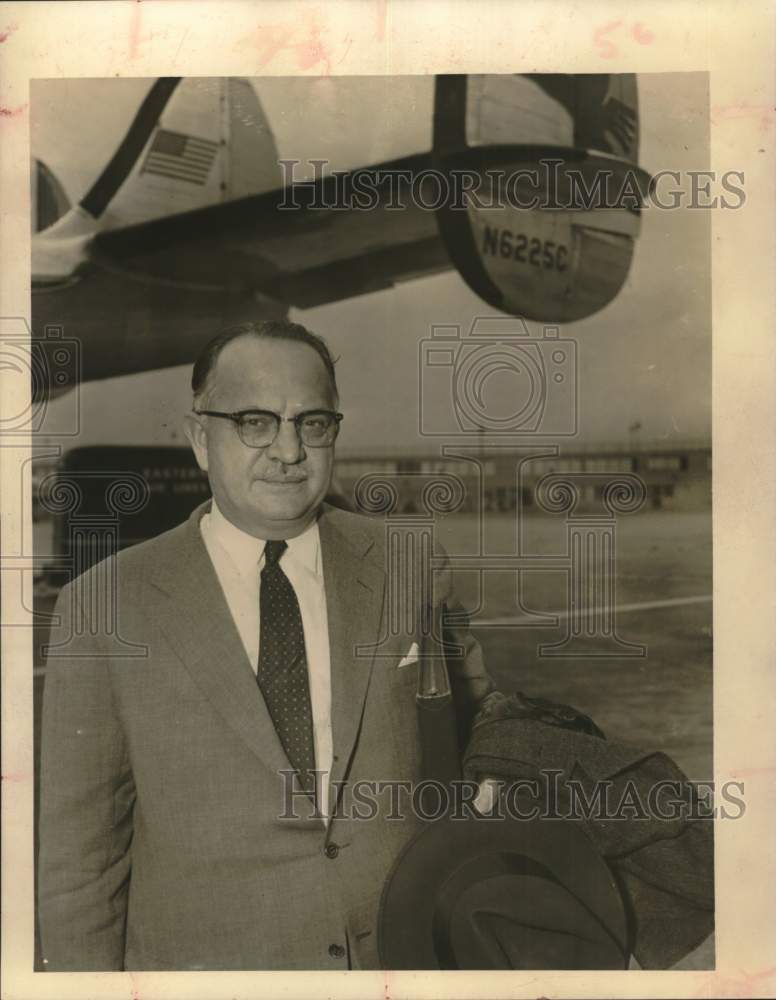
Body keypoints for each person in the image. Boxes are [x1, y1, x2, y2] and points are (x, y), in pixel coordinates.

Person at [38, 319, 495, 971]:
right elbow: (80, 867)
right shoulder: (104, 604)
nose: (288, 450)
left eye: (312, 423)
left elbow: (483, 717)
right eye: (254, 422)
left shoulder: (407, 565)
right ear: (201, 438)